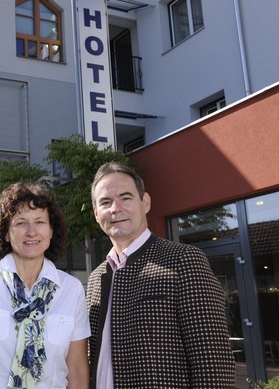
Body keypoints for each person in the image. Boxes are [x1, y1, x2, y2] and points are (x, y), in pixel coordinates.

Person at [86, 162, 235, 388]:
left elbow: (213, 362)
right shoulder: (96, 278)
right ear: (96, 214)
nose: (115, 208)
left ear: (145, 202)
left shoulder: (184, 260)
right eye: (105, 202)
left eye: (126, 198)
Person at [0, 182, 91, 388]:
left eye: (40, 222)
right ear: (6, 233)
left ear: (51, 231)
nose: (31, 232)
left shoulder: (71, 290)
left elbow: (76, 368)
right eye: (20, 223)